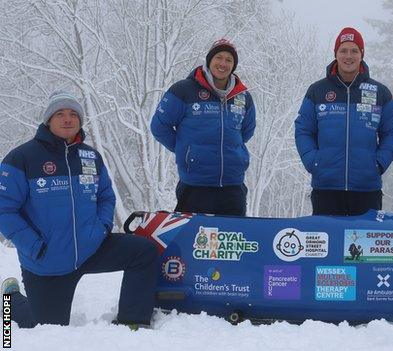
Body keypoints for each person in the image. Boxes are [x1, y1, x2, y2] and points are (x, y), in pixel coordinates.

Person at [0, 91, 159, 328]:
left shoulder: (90, 156)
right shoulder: (22, 158)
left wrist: (103, 226)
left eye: (73, 114)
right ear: (48, 120)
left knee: (144, 251)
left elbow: (105, 196)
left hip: (91, 248)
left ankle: (132, 321)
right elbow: (4, 210)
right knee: (43, 326)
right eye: (60, 114)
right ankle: (11, 299)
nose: (67, 119)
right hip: (48, 261)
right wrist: (35, 247)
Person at [295, 27, 393, 216]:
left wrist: (379, 164)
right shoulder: (317, 91)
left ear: (362, 54)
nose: (348, 56)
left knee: (363, 244)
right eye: (343, 50)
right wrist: (314, 161)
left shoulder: (380, 92)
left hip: (367, 189)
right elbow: (303, 129)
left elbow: (392, 132)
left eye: (354, 50)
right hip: (326, 187)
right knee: (327, 243)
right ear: (335, 53)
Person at [151, 38, 256, 216]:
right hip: (195, 186)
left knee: (232, 241)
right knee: (193, 241)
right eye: (219, 57)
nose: (223, 64)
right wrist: (185, 150)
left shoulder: (243, 97)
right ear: (209, 60)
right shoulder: (184, 90)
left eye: (229, 60)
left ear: (233, 66)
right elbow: (159, 126)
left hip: (233, 187)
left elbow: (247, 131)